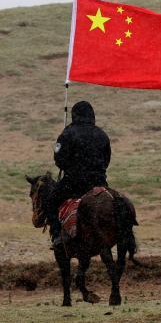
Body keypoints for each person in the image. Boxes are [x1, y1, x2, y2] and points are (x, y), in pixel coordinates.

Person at [49, 101, 111, 248]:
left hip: (73, 183)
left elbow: (59, 160)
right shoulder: (102, 135)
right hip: (99, 182)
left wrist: (68, 167)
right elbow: (107, 159)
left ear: (74, 115)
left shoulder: (67, 133)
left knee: (51, 200)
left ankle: (57, 235)